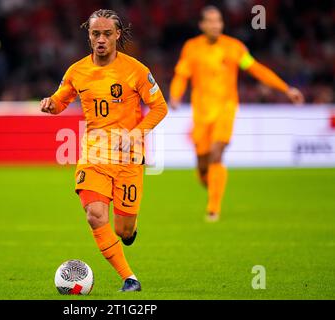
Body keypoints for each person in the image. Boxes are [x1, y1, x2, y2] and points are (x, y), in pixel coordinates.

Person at [40, 9, 167, 292]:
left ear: (117, 35)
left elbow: (160, 107)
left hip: (128, 159)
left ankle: (129, 233)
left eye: (107, 34)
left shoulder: (135, 70)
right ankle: (129, 278)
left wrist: (136, 133)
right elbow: (61, 100)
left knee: (124, 230)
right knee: (95, 215)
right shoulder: (77, 71)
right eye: (95, 34)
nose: (100, 39)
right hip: (94, 156)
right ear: (89, 35)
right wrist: (52, 104)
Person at [169, 6, 304, 222]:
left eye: (218, 21)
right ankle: (212, 183)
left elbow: (257, 69)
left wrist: (286, 89)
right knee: (203, 166)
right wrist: (175, 96)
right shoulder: (191, 48)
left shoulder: (234, 48)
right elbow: (181, 75)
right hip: (202, 113)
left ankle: (213, 208)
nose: (215, 25)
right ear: (202, 25)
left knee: (217, 153)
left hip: (226, 108)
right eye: (210, 21)